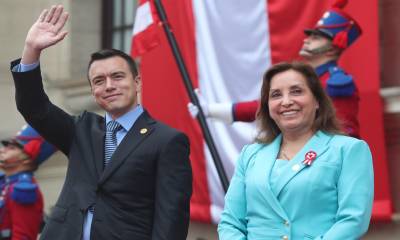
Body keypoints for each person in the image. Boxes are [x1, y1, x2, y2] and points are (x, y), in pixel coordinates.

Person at [10, 5, 192, 240]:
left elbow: (171, 217)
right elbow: (34, 108)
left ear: (137, 83)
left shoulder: (167, 141)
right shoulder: (81, 130)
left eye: (117, 76)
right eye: (99, 80)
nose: (108, 86)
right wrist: (31, 50)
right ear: (93, 90)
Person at [217, 61, 373, 239]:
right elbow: (230, 222)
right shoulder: (250, 154)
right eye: (276, 95)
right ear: (268, 106)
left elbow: (353, 220)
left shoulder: (349, 150)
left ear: (317, 101)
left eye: (296, 91)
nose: (286, 101)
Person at [189, 0, 362, 138]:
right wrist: (211, 110)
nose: (307, 40)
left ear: (332, 48)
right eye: (309, 36)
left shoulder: (336, 83)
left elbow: (346, 133)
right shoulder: (304, 77)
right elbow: (262, 107)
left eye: (316, 38)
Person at [0, 124, 56, 240]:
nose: (2, 150)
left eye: (12, 148)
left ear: (27, 160)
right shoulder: (6, 183)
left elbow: (23, 236)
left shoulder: (23, 191)